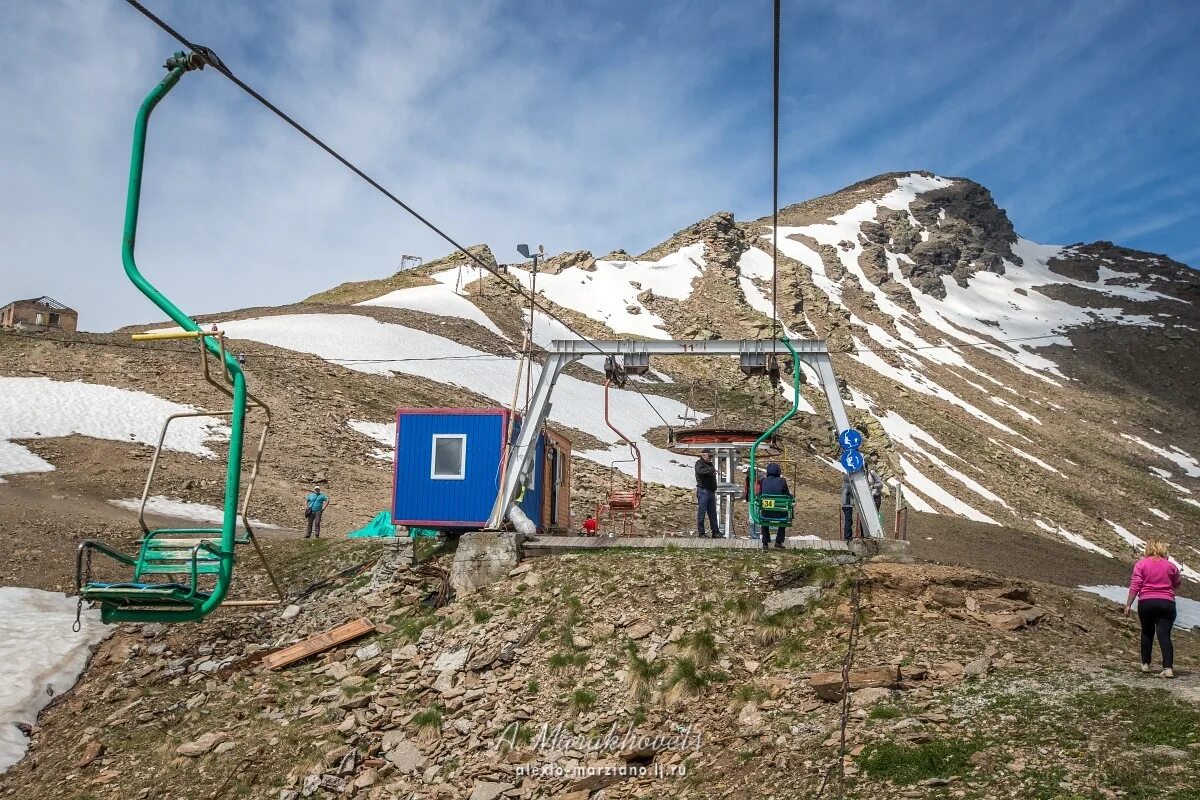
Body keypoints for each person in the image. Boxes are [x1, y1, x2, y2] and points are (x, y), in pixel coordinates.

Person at [1124, 540, 1181, 678]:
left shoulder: (1141, 564)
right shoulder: (1171, 566)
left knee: (1147, 632)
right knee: (1164, 634)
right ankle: (1168, 668)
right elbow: (1177, 583)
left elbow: (1136, 584)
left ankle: (1146, 664)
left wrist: (1128, 604)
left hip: (1147, 601)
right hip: (1167, 602)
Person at [758, 463, 792, 550]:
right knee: (784, 516)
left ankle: (765, 543)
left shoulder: (763, 481)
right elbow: (787, 495)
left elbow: (760, 495)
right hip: (780, 513)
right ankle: (778, 542)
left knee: (764, 517)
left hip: (766, 513)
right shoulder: (782, 481)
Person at [694, 449, 720, 538]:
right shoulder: (699, 463)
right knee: (702, 512)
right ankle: (701, 532)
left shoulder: (709, 465)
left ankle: (715, 532)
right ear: (704, 455)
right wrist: (711, 470)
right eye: (710, 456)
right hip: (703, 490)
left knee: (713, 513)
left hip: (710, 491)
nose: (711, 458)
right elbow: (701, 471)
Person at [744, 466, 764, 542]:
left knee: (753, 517)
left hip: (755, 498)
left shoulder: (756, 479)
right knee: (754, 517)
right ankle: (755, 534)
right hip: (753, 498)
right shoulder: (754, 478)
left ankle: (754, 534)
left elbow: (748, 489)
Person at [839, 474, 855, 541]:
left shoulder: (844, 485)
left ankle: (847, 535)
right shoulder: (848, 486)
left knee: (847, 520)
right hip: (848, 505)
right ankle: (848, 536)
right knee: (849, 521)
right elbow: (853, 494)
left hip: (843, 505)